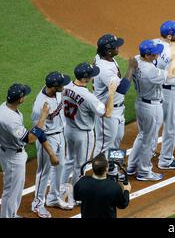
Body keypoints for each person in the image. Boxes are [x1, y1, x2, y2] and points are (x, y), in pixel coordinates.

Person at [60, 63, 117, 204]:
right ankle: (76, 197)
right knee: (81, 165)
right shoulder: (88, 96)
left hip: (68, 129)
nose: (93, 77)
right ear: (85, 78)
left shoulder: (65, 87)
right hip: (83, 134)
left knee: (69, 161)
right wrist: (111, 93)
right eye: (91, 75)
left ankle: (59, 191)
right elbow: (108, 113)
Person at [0, 83, 59, 218]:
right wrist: (43, 116)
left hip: (7, 151)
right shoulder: (11, 119)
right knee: (11, 191)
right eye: (24, 95)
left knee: (14, 189)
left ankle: (12, 214)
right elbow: (31, 138)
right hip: (13, 157)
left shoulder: (4, 107)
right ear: (20, 99)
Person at [127, 40, 175, 181]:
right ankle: (144, 172)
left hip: (141, 103)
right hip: (152, 108)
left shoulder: (137, 60)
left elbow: (133, 59)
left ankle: (131, 166)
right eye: (155, 52)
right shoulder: (150, 71)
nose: (158, 53)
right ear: (148, 55)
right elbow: (172, 75)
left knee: (142, 135)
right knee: (149, 140)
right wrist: (173, 57)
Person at [93, 34, 137, 179]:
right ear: (108, 50)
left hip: (118, 109)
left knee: (116, 141)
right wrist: (131, 68)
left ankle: (112, 171)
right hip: (108, 111)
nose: (119, 47)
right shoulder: (104, 69)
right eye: (115, 46)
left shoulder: (105, 58)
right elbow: (122, 88)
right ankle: (98, 177)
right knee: (104, 146)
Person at [31, 72, 73, 218]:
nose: (64, 85)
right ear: (54, 87)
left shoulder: (56, 91)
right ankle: (37, 204)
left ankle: (53, 198)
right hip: (47, 138)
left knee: (60, 167)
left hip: (60, 133)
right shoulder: (40, 106)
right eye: (62, 84)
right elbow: (38, 131)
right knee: (44, 172)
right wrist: (51, 153)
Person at [154, 21, 175, 170]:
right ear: (169, 36)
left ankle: (149, 152)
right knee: (171, 127)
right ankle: (166, 160)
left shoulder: (153, 43)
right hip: (170, 92)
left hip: (154, 88)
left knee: (154, 125)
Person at [73, 153, 130, 218]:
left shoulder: (82, 183)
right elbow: (123, 205)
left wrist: (82, 180)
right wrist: (126, 190)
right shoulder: (114, 186)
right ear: (106, 169)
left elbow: (76, 197)